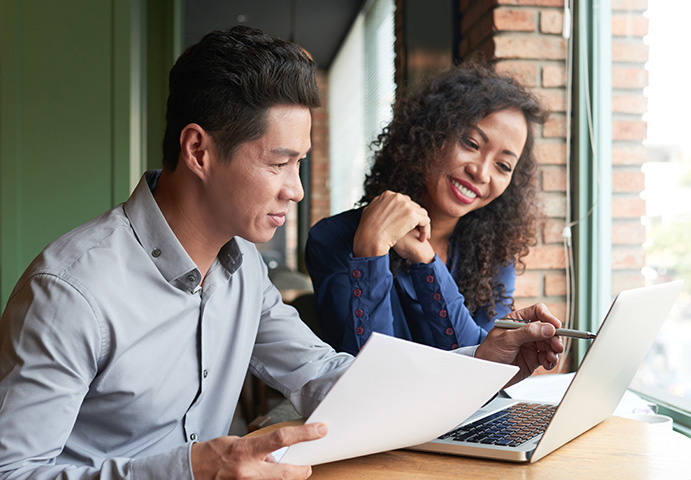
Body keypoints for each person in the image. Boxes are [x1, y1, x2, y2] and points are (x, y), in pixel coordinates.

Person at [0, 26, 562, 480]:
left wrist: (480, 363)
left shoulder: (242, 270)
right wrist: (192, 469)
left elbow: (324, 374)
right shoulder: (71, 291)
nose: (295, 189)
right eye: (279, 162)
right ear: (199, 150)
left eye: (300, 164)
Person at [306, 61, 545, 355]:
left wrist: (425, 260)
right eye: (471, 143)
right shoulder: (332, 239)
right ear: (432, 133)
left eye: (503, 165)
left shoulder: (495, 256)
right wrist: (370, 252)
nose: (481, 173)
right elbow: (369, 369)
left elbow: (482, 362)